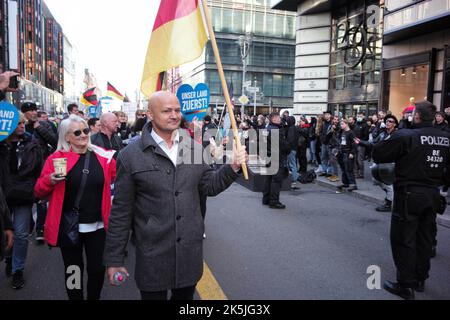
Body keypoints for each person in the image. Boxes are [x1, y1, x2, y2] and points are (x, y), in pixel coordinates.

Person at [103, 91, 247, 301]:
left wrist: (232, 167)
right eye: (167, 111)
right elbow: (121, 211)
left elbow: (210, 186)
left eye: (177, 110)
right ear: (150, 114)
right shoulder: (130, 155)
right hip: (152, 253)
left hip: (189, 252)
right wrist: (114, 258)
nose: (174, 115)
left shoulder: (195, 149)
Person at [373, 101, 450, 300]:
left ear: (416, 117)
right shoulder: (446, 138)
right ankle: (419, 278)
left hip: (409, 193)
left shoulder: (407, 135)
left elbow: (379, 153)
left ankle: (405, 285)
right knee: (425, 238)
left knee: (403, 238)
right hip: (433, 193)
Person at [34, 115, 116, 300]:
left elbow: (120, 178)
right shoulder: (56, 158)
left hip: (97, 226)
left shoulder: (103, 156)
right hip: (69, 226)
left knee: (97, 269)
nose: (83, 135)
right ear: (67, 137)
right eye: (77, 132)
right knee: (73, 270)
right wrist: (50, 180)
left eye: (86, 130)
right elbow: (38, 191)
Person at [4, 112, 44, 289]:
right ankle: (9, 257)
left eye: (23, 123)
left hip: (23, 194)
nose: (21, 126)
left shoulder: (32, 143)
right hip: (3, 195)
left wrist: (38, 191)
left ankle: (17, 269)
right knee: (6, 232)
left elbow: (38, 169)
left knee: (21, 233)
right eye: (18, 123)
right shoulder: (2, 145)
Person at [356, 115, 399, 212]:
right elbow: (373, 143)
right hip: (379, 161)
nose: (388, 123)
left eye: (391, 121)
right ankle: (391, 194)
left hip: (389, 162)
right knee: (376, 180)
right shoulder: (383, 134)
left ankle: (388, 202)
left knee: (387, 184)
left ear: (395, 124)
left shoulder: (396, 135)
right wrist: (361, 142)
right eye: (387, 121)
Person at [262, 112, 291, 209]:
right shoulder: (276, 130)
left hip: (268, 156)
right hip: (276, 157)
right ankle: (274, 201)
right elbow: (283, 145)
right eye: (278, 118)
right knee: (276, 180)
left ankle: (266, 199)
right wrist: (288, 148)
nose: (280, 119)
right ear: (273, 119)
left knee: (268, 179)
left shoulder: (267, 129)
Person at [336, 119, 357, 192]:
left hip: (348, 153)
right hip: (342, 152)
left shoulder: (351, 133)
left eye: (342, 124)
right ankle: (345, 183)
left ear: (346, 124)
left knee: (349, 169)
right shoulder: (342, 132)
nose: (341, 125)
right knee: (343, 169)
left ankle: (353, 184)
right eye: (340, 124)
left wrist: (352, 153)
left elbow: (355, 143)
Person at [353, 112, 369, 179]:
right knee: (355, 160)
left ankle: (361, 173)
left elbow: (366, 136)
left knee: (360, 160)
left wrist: (359, 141)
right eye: (358, 116)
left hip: (361, 144)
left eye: (360, 116)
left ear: (363, 116)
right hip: (355, 144)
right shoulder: (356, 124)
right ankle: (356, 173)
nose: (359, 117)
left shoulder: (365, 125)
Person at [286, 116, 300, 190]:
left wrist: (287, 146)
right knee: (293, 163)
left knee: (292, 164)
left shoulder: (291, 128)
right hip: (294, 148)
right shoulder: (295, 127)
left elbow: (290, 140)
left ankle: (294, 178)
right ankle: (294, 177)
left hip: (291, 148)